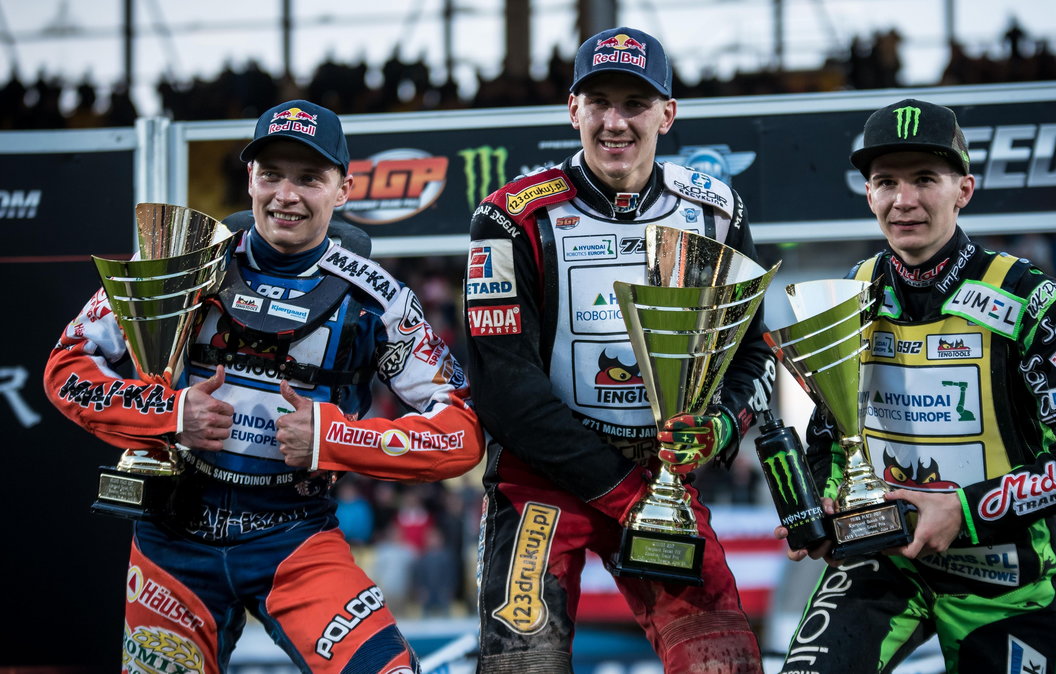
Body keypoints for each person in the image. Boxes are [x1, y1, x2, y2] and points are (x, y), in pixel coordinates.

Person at [45, 99, 484, 671]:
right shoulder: (178, 260)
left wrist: (333, 437)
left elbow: (461, 430)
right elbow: (66, 365)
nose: (286, 194)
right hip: (174, 537)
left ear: (344, 189)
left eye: (309, 178)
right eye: (271, 173)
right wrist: (170, 413)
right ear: (250, 178)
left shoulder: (381, 299)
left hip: (297, 538)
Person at [776, 99, 1056, 673]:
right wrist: (824, 496)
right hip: (884, 561)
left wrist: (964, 510)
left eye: (924, 179)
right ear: (868, 194)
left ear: (963, 189)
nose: (903, 200)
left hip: (1006, 581)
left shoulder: (1035, 303)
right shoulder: (847, 293)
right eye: (886, 181)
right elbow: (828, 434)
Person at [464, 27, 773, 673]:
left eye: (633, 104)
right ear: (572, 108)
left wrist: (720, 425)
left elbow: (753, 350)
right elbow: (502, 386)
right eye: (598, 101)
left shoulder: (716, 211)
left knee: (726, 660)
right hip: (542, 486)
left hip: (665, 480)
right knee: (524, 663)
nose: (614, 122)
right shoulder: (509, 216)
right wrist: (622, 492)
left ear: (667, 113)